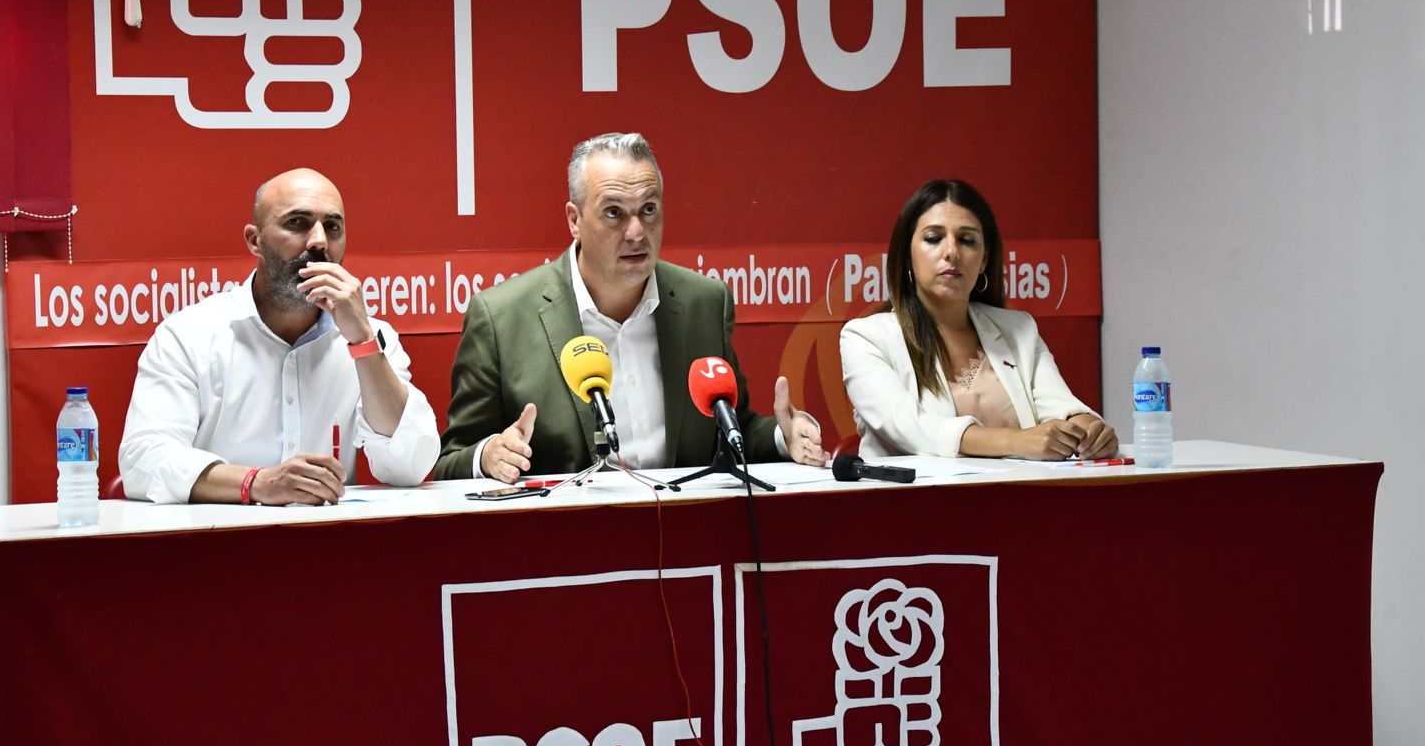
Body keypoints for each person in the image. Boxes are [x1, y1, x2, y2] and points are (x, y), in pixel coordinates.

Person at [434, 132, 826, 481]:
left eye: (649, 210)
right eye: (614, 213)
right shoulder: (502, 318)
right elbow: (451, 460)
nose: (636, 232)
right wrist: (488, 456)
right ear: (574, 219)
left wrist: (780, 434)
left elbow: (732, 428)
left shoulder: (703, 302)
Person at [119, 168, 440, 504]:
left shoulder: (372, 338)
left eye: (332, 227)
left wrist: (363, 342)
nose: (319, 241)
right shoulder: (189, 335)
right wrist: (255, 483)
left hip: (333, 546)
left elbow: (410, 466)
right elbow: (143, 459)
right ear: (255, 241)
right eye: (297, 223)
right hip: (218, 544)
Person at [839, 178, 1118, 460]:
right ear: (907, 256)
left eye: (967, 240)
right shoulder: (866, 337)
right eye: (934, 239)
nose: (952, 252)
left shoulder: (1019, 329)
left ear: (984, 259)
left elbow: (1061, 405)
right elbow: (910, 428)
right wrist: (1016, 441)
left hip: (1022, 497)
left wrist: (1087, 430)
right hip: (914, 501)